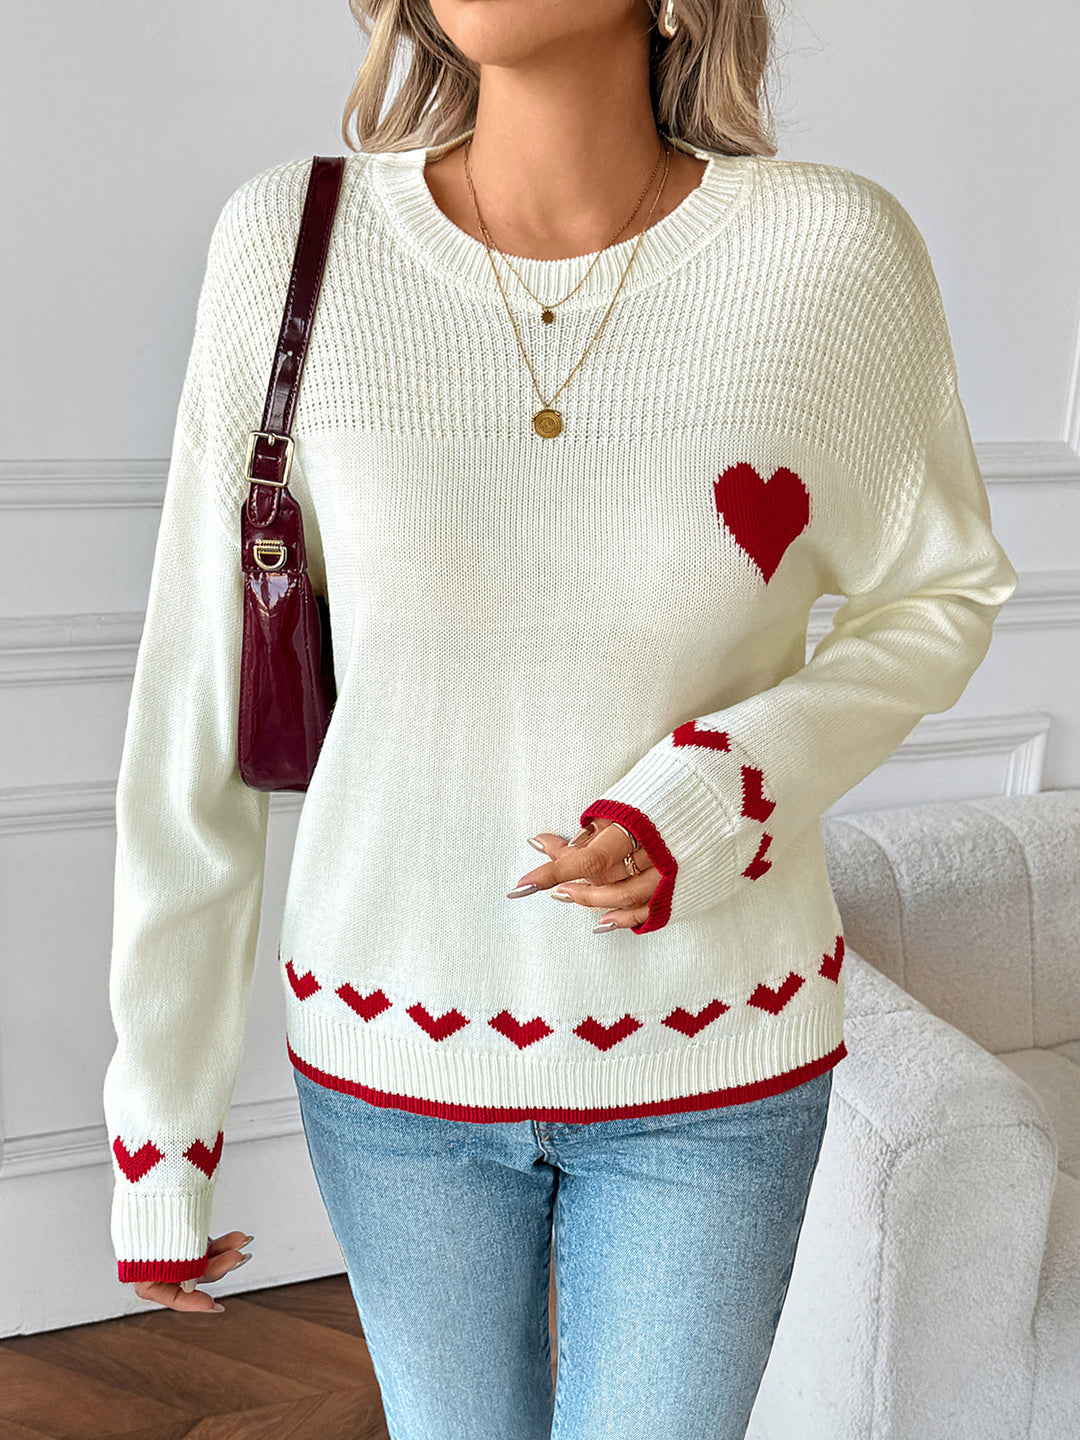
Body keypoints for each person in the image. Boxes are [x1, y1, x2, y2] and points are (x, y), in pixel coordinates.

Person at [102, 1, 1019, 1436]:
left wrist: (715, 795)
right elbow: (190, 708)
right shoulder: (293, 244)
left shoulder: (832, 253)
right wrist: (160, 1124)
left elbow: (942, 594)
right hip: (389, 1051)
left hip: (718, 1061)